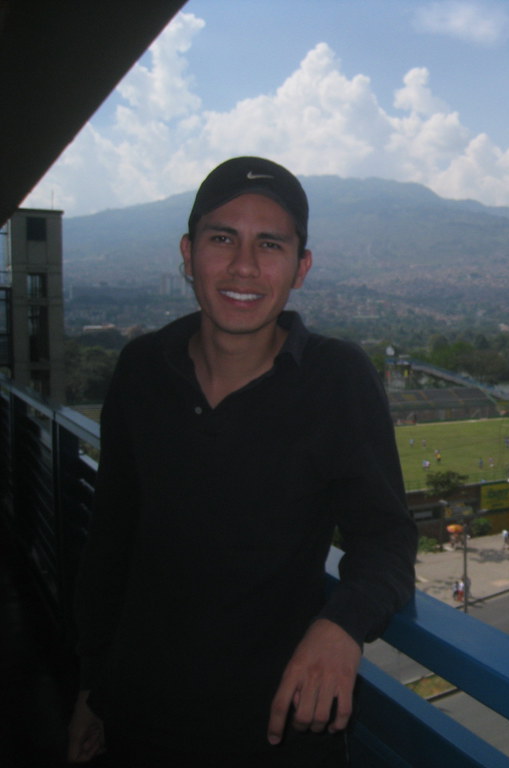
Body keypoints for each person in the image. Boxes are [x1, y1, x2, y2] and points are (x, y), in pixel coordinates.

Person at [67, 157, 418, 766]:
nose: (244, 266)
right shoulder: (143, 371)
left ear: (301, 268)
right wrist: (92, 689)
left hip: (280, 731)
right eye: (222, 238)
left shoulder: (336, 379)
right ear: (187, 253)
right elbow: (111, 545)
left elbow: (386, 535)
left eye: (270, 244)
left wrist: (342, 626)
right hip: (141, 719)